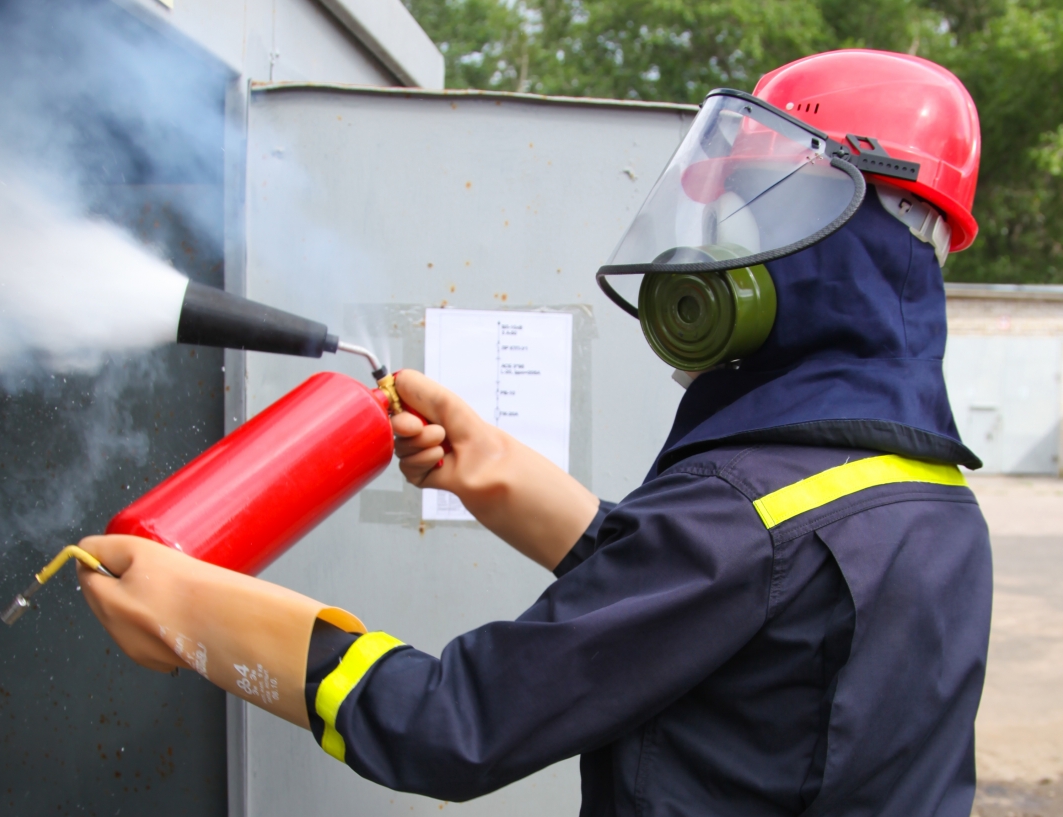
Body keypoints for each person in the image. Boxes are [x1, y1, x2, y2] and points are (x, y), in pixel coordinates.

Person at [79, 49, 992, 815]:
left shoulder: (742, 511)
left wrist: (198, 613)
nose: (718, 261)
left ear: (839, 240)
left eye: (757, 218)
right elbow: (704, 608)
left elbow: (450, 727)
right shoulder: (922, 496)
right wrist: (497, 471)